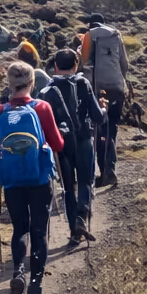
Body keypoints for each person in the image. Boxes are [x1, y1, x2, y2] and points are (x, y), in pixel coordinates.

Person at [0, 61, 64, 294]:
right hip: (40, 178)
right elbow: (57, 143)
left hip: (11, 180)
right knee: (39, 231)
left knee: (20, 228)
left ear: (9, 84)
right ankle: (34, 291)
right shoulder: (42, 107)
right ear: (32, 83)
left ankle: (18, 271)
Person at [46, 48, 103, 245]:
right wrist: (104, 108)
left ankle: (74, 231)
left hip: (62, 144)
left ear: (55, 66)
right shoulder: (83, 83)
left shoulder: (48, 89)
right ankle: (81, 217)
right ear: (76, 65)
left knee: (68, 188)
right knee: (86, 181)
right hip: (84, 138)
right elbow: (97, 116)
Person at [81, 15, 130, 187]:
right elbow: (125, 64)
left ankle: (106, 174)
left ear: (90, 25)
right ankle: (110, 169)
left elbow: (84, 63)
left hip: (98, 89)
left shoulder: (89, 35)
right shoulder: (116, 34)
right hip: (117, 88)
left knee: (100, 131)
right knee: (111, 130)